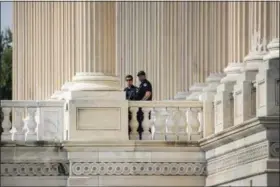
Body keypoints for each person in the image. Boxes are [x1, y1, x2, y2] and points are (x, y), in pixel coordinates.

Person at [136, 71, 153, 139]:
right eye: (139, 76)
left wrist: (141, 102)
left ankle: (146, 137)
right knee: (140, 122)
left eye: (141, 76)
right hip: (141, 107)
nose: (139, 77)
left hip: (144, 106)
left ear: (144, 76)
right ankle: (141, 136)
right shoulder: (141, 84)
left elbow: (148, 94)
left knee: (145, 121)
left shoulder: (146, 83)